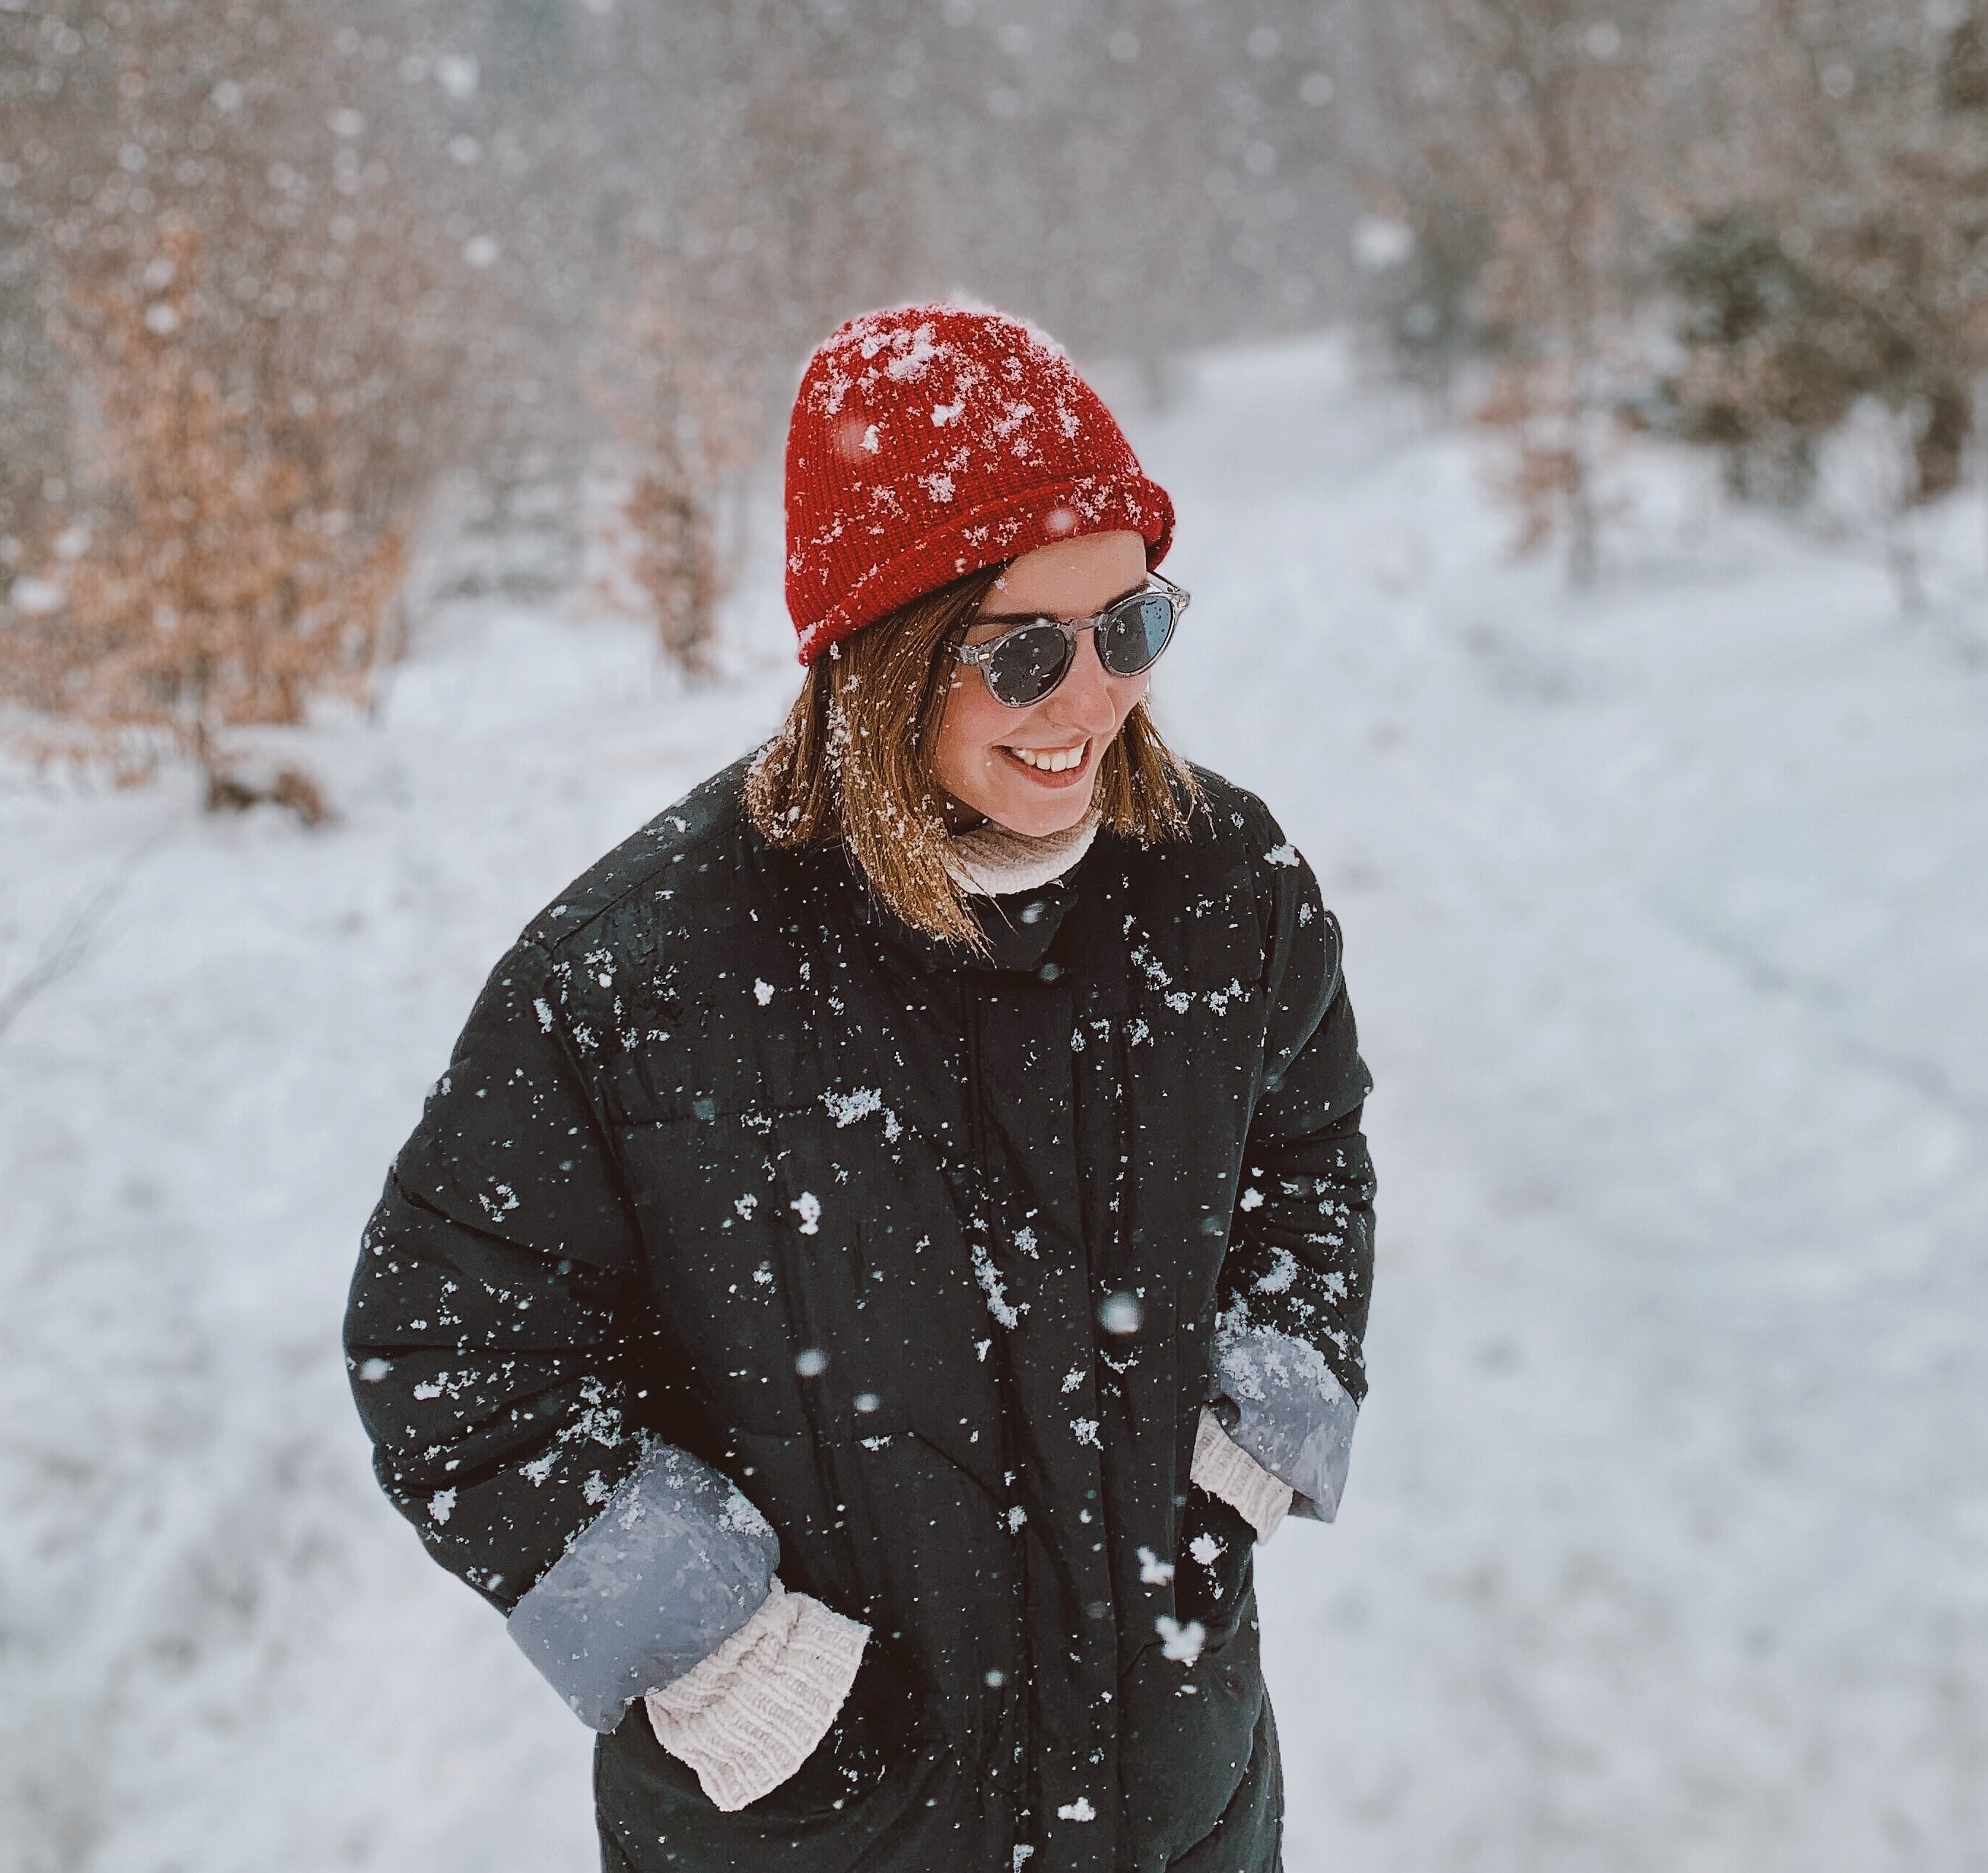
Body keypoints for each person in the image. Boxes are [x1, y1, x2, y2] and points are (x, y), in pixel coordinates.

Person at [344, 303, 1376, 1873]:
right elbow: (452, 1351)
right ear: (880, 656)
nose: (1091, 698)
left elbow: (1307, 1153)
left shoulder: (1225, 890)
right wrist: (712, 1651)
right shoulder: (640, 980)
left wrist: (1242, 1446)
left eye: (1133, 625)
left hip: (1178, 1799)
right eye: (1024, 649)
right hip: (825, 1831)